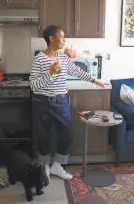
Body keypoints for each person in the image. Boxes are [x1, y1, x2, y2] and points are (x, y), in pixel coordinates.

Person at [29, 25, 110, 180]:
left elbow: (76, 71)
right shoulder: (39, 58)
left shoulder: (63, 57)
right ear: (52, 39)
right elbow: (33, 85)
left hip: (60, 102)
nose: (65, 41)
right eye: (62, 37)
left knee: (67, 134)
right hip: (42, 102)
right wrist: (50, 73)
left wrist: (95, 80)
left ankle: (57, 166)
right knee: (42, 136)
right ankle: (45, 166)